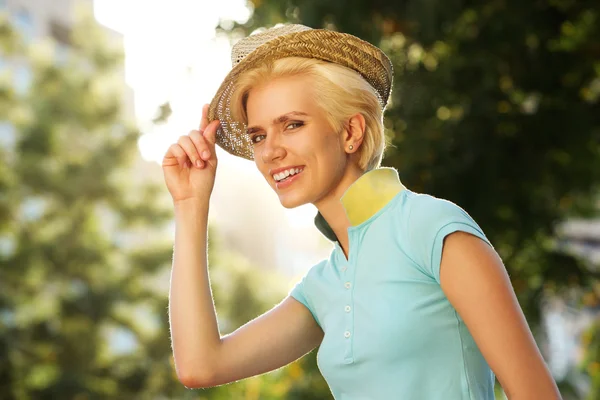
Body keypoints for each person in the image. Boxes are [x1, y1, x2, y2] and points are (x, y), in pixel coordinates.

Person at [162, 24, 561, 399]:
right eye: (258, 135)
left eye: (293, 124)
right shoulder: (324, 285)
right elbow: (200, 366)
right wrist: (190, 205)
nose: (270, 151)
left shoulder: (432, 229)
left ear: (351, 132)